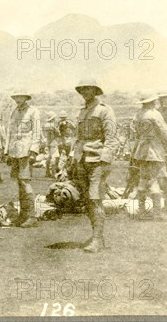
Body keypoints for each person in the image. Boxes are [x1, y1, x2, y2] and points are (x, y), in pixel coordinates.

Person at [71, 78, 118, 253]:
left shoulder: (105, 111)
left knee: (95, 199)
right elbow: (78, 137)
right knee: (87, 201)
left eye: (88, 89)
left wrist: (105, 160)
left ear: (95, 91)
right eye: (82, 89)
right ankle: (96, 236)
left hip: (98, 160)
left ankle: (97, 239)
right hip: (82, 160)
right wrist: (73, 158)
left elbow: (111, 137)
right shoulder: (82, 112)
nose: (84, 92)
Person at [4, 90, 41, 228]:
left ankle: (32, 216)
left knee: (25, 182)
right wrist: (6, 151)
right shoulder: (13, 112)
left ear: (26, 97)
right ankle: (23, 215)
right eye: (16, 97)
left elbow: (37, 132)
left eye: (21, 96)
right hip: (14, 152)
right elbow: (9, 132)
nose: (18, 99)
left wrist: (34, 151)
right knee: (19, 183)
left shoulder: (33, 112)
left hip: (26, 151)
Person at [131, 94, 167, 221]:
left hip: (142, 151)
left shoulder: (138, 115)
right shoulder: (155, 114)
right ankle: (157, 213)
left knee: (143, 181)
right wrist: (165, 143)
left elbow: (135, 132)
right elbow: (165, 132)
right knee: (154, 180)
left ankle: (141, 212)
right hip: (155, 151)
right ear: (153, 101)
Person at [43, 112, 60, 178]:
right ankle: (53, 173)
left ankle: (47, 172)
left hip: (47, 143)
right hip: (53, 143)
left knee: (48, 158)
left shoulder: (46, 125)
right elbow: (58, 133)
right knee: (54, 157)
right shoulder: (52, 126)